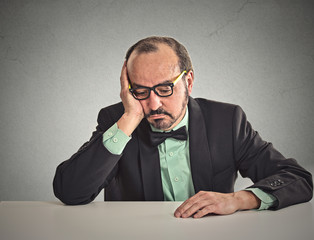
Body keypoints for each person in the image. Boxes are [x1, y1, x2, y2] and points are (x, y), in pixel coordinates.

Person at [53, 36, 313, 218]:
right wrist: (128, 120)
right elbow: (70, 192)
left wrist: (237, 200)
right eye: (141, 91)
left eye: (165, 88)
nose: (153, 104)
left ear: (188, 81)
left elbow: (298, 179)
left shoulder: (227, 120)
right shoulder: (117, 120)